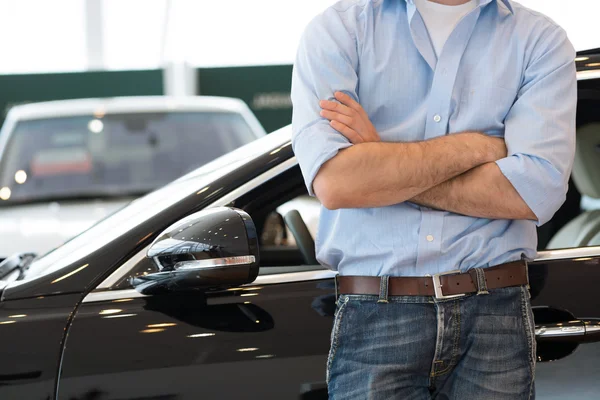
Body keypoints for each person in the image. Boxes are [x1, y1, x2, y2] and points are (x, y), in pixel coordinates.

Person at [291, 0, 576, 399]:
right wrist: (478, 148)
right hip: (377, 310)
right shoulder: (340, 29)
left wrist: (381, 159)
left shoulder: (539, 40)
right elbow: (339, 184)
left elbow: (534, 192)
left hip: (495, 311)